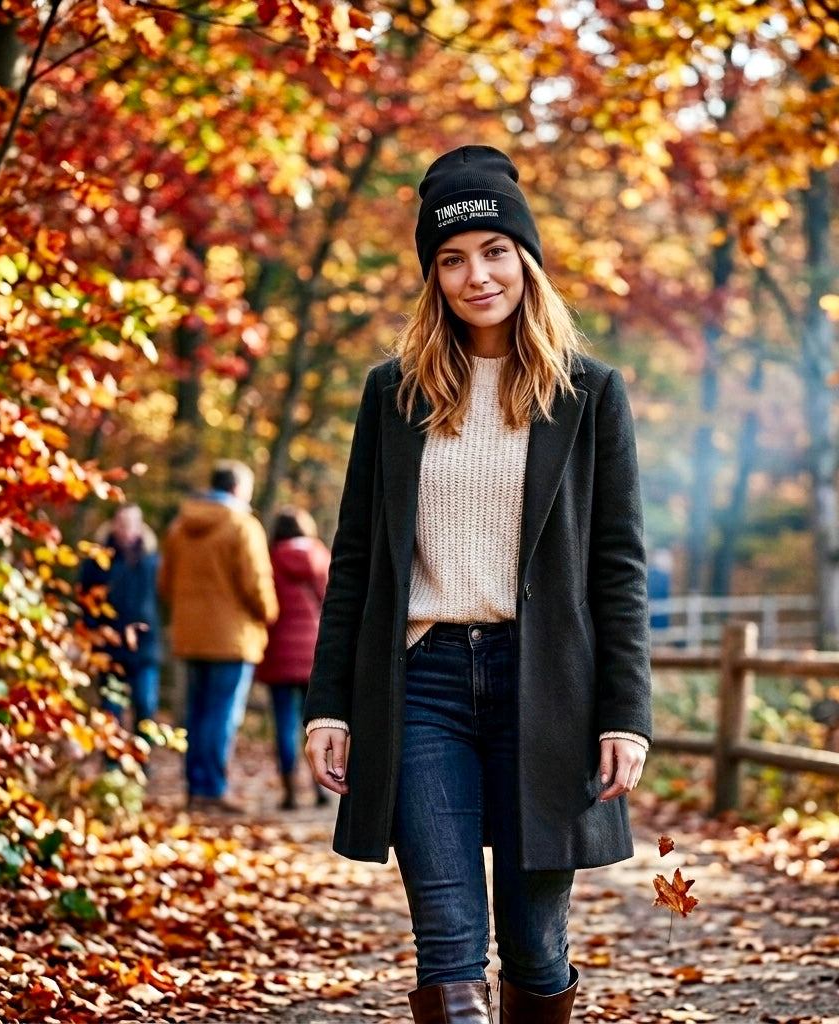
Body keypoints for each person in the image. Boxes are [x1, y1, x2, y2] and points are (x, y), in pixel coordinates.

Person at [304, 145, 652, 1024]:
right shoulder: (395, 395)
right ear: (433, 275)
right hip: (421, 688)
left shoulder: (589, 394)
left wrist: (626, 715)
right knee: (449, 949)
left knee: (534, 951)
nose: (476, 275)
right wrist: (329, 704)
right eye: (452, 259)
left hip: (549, 694)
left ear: (526, 260)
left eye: (495, 251)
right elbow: (356, 561)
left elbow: (619, 566)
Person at [158, 460, 279, 813]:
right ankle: (212, 788)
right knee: (221, 714)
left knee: (196, 712)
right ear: (239, 489)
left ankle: (196, 786)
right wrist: (268, 613)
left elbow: (165, 583)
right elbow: (256, 583)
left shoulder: (179, 527)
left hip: (190, 635)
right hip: (232, 638)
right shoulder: (242, 526)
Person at [255, 508, 332, 810]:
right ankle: (319, 786)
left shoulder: (269, 560)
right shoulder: (320, 557)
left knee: (284, 723)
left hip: (279, 654)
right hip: (314, 653)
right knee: (314, 723)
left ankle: (289, 791)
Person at [80, 502, 162, 742]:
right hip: (109, 647)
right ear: (114, 525)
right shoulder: (97, 561)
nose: (127, 529)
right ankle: (112, 767)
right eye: (123, 523)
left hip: (145, 647)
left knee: (145, 706)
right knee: (111, 710)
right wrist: (91, 636)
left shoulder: (152, 560)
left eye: (132, 524)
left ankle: (141, 762)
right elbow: (86, 601)